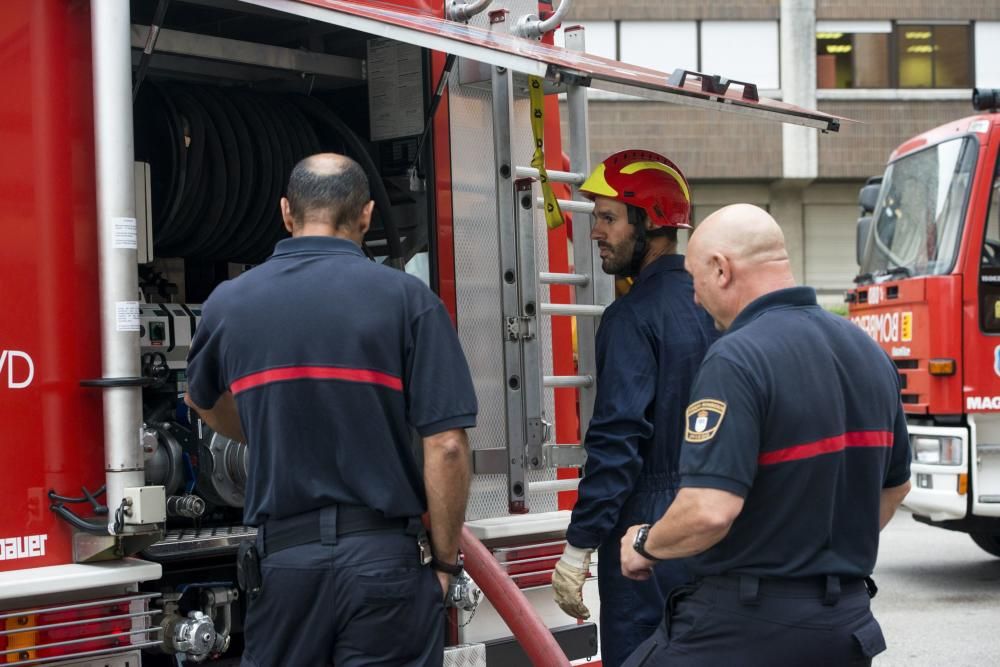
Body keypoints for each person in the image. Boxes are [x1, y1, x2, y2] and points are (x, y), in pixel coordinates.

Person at [184, 153, 477, 667]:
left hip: (286, 566)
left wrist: (271, 427)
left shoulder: (229, 303)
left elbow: (202, 404)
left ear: (285, 212)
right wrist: (447, 565)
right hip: (383, 562)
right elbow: (447, 445)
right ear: (365, 215)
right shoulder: (409, 300)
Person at [618, 204, 912, 667]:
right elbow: (896, 486)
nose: (694, 300)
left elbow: (709, 511)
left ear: (721, 269)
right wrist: (817, 550)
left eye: (695, 281)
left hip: (744, 629)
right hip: (845, 629)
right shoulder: (869, 352)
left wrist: (643, 543)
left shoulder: (736, 359)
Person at [550, 150, 719, 666]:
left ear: (649, 222)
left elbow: (617, 441)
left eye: (608, 218)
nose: (596, 232)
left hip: (647, 531)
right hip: (718, 520)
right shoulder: (715, 305)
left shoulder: (630, 318)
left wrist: (580, 543)